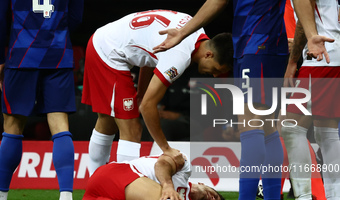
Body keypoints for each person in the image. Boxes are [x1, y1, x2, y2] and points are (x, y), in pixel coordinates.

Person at [154, 0, 288, 200]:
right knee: (267, 128)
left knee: (251, 125)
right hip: (270, 43)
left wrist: (182, 33)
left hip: (255, 42)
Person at [81, 10, 233, 175]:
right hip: (108, 52)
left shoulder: (193, 28)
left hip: (106, 39)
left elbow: (150, 53)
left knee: (108, 121)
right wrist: (165, 148)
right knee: (132, 128)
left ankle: (94, 184)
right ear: (209, 55)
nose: (215, 75)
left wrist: (141, 93)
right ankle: (125, 189)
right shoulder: (180, 56)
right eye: (217, 69)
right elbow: (147, 106)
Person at [0, 0, 84, 200]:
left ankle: (1, 198)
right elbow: (75, 18)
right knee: (60, 124)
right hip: (58, 55)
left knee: (12, 125)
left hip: (21, 55)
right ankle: (66, 199)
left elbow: (1, 19)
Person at [41, 153, 231, 200]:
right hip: (116, 175)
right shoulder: (185, 170)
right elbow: (163, 163)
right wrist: (167, 186)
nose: (212, 199)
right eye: (214, 195)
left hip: (105, 195)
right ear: (204, 183)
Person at [281, 0, 340, 200]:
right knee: (327, 130)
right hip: (333, 52)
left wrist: (293, 60)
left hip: (320, 55)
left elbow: (303, 18)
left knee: (290, 126)